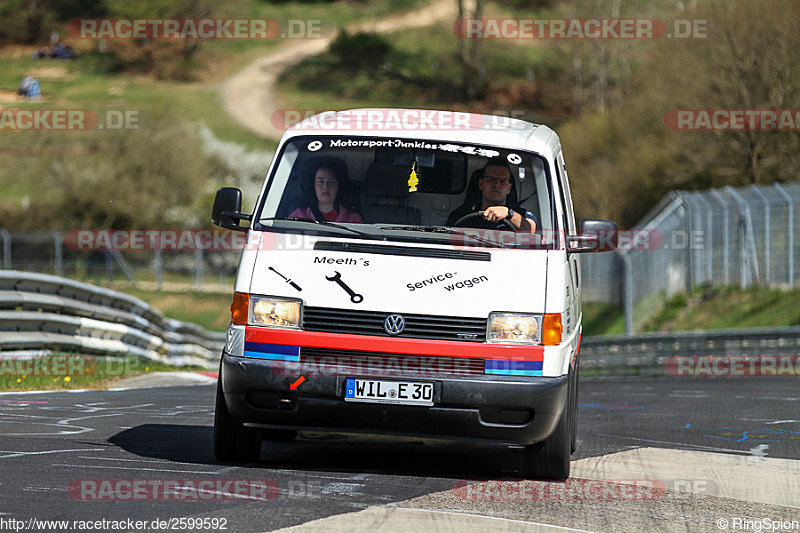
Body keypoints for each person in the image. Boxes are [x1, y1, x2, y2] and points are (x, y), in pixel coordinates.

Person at [446, 157, 537, 233]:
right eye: (491, 179)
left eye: (503, 181)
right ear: (481, 184)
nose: (497, 185)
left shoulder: (520, 215)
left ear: (509, 188)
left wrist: (508, 213)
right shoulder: (460, 215)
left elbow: (531, 230)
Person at [289, 159, 363, 223]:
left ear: (339, 187)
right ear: (313, 185)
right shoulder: (297, 217)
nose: (325, 186)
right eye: (320, 181)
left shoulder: (353, 220)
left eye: (331, 182)